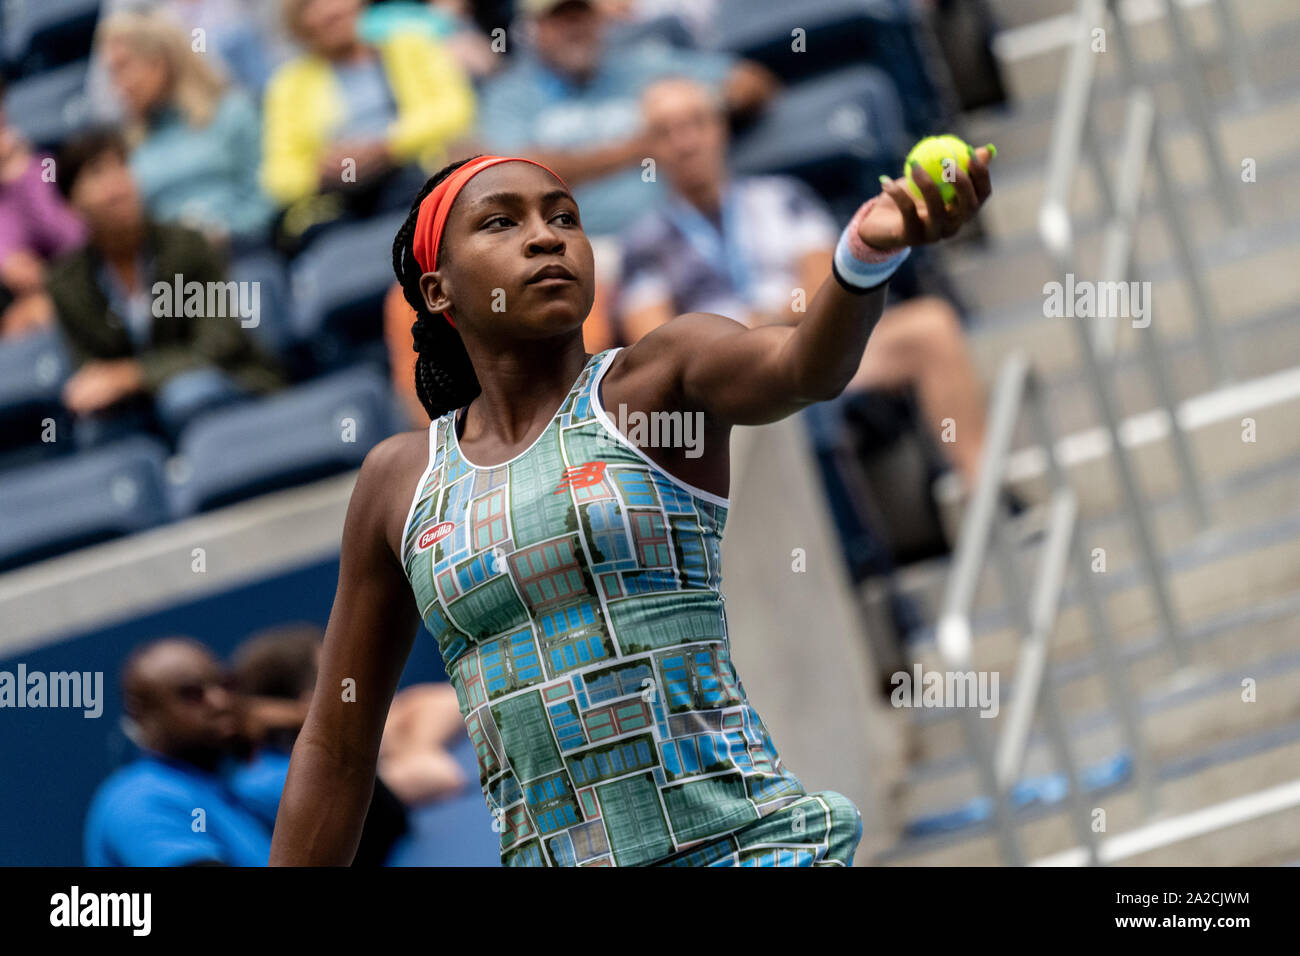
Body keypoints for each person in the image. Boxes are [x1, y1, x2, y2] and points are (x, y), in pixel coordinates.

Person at [269, 143, 994, 866]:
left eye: (564, 218)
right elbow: (337, 742)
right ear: (439, 290)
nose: (547, 235)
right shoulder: (399, 480)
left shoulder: (655, 380)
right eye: (501, 223)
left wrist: (864, 255)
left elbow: (802, 367)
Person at [619, 76, 990, 487]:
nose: (685, 142)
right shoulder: (641, 243)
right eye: (666, 132)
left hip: (812, 344)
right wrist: (745, 340)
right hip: (728, 386)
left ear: (720, 128)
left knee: (930, 326)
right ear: (648, 149)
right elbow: (654, 346)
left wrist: (756, 324)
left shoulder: (782, 196)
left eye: (696, 123)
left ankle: (983, 489)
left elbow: (819, 292)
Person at [47, 128, 284, 448]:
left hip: (227, 381)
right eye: (97, 174)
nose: (116, 185)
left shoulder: (187, 245)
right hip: (141, 408)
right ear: (72, 203)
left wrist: (132, 375)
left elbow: (218, 346)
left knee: (185, 396)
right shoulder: (66, 284)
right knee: (95, 431)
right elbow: (92, 375)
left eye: (122, 166)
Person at [262, 0, 476, 254]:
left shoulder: (408, 46)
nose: (331, 10)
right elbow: (277, 177)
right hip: (336, 204)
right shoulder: (289, 86)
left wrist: (388, 146)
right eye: (312, 6)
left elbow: (456, 110)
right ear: (299, 24)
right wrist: (319, 171)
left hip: (411, 177)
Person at [84, 638, 272, 866]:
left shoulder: (227, 786)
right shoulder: (142, 797)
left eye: (225, 684)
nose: (220, 702)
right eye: (192, 693)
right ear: (141, 714)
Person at [98, 10, 276, 250]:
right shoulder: (129, 146)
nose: (117, 86)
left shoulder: (232, 113)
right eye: (111, 72)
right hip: (170, 272)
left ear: (160, 63)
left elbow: (265, 196)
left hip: (246, 252)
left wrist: (225, 231)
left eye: (123, 67)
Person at [0, 77, 88, 339]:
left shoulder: (42, 169)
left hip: (64, 288)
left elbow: (74, 240)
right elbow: (15, 269)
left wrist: (20, 172)